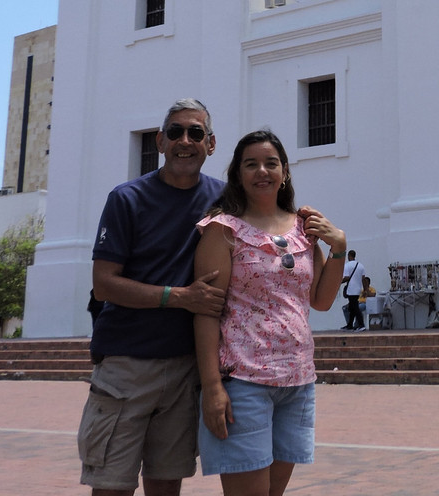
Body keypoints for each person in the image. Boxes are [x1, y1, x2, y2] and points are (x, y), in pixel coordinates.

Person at [78, 98, 227, 496]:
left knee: (166, 486)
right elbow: (104, 284)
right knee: (111, 486)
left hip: (184, 368)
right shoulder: (126, 198)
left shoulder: (226, 202)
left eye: (196, 133)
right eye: (175, 132)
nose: (185, 140)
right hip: (127, 366)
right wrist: (180, 297)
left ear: (210, 144)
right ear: (160, 141)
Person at [194, 129, 347, 496]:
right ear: (237, 174)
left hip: (296, 382)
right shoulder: (223, 230)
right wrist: (212, 387)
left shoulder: (303, 229)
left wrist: (338, 246)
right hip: (243, 382)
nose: (262, 171)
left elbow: (321, 300)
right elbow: (206, 311)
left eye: (271, 163)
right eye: (251, 164)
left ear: (285, 172)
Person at [341, 249, 367, 331]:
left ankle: (361, 325)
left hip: (351, 289)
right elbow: (363, 279)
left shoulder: (347, 265)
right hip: (358, 289)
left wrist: (339, 282)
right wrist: (365, 289)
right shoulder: (361, 266)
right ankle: (349, 325)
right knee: (352, 307)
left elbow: (347, 277)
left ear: (349, 256)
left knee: (355, 307)